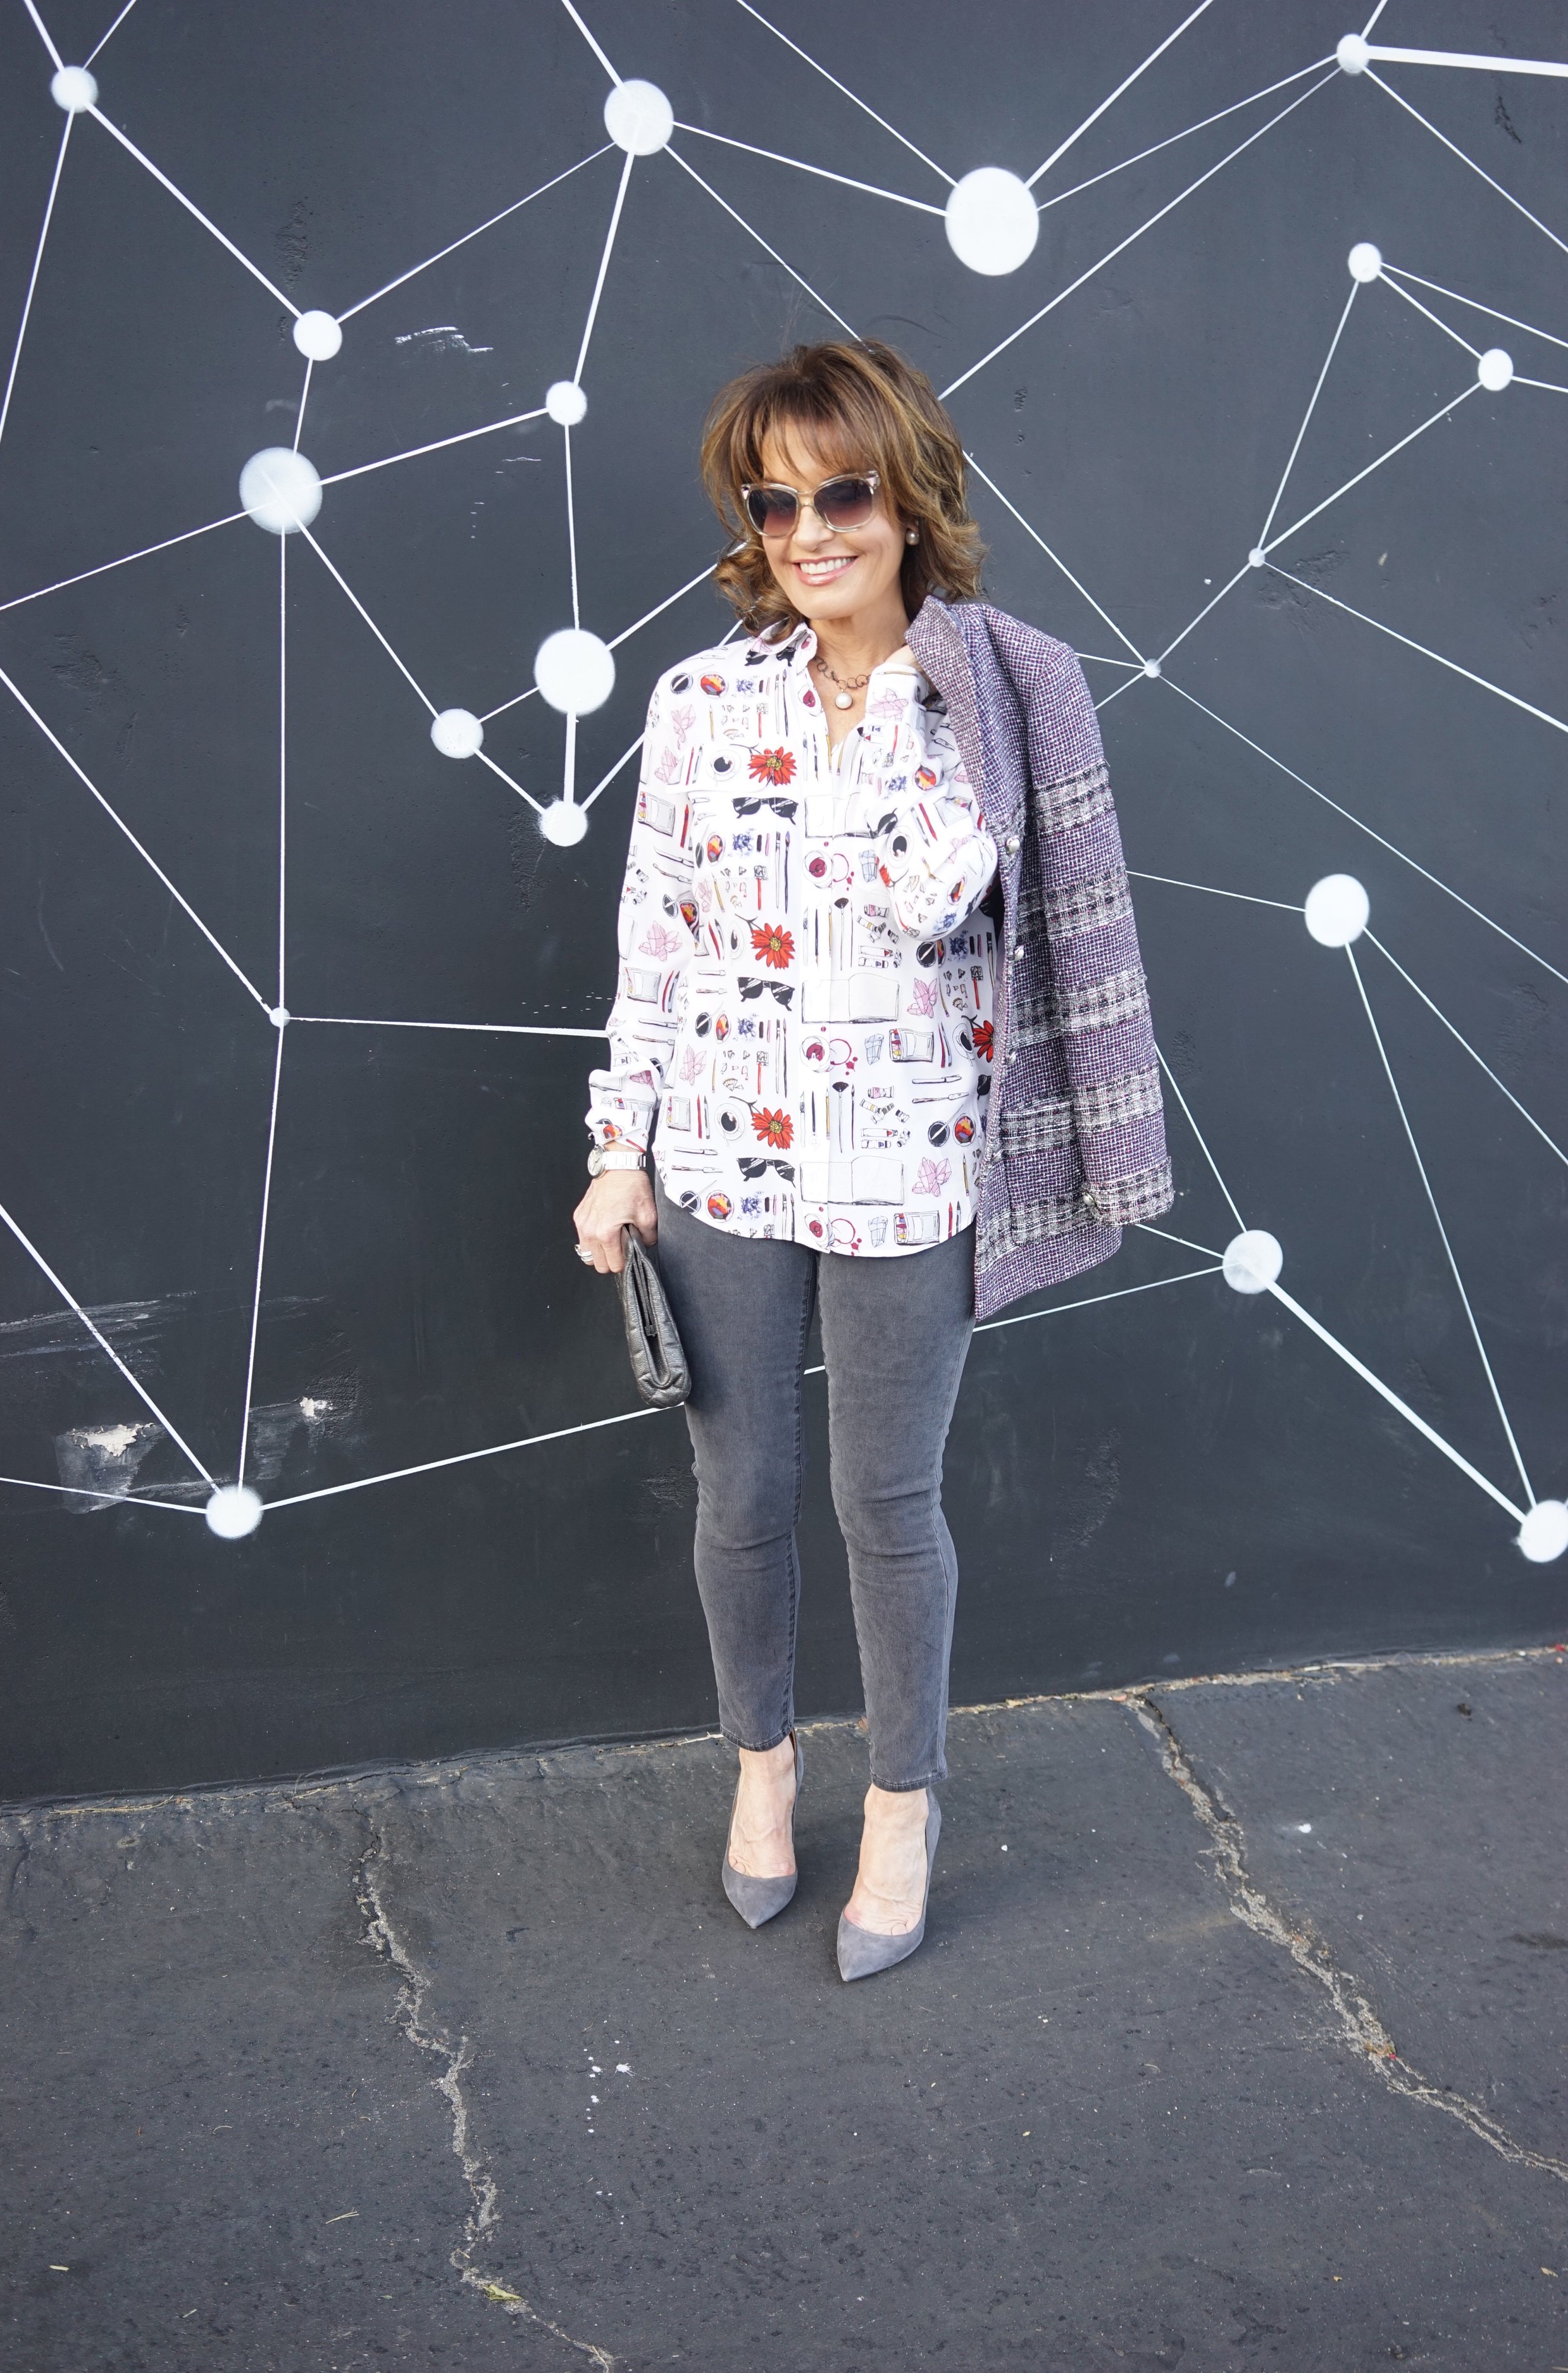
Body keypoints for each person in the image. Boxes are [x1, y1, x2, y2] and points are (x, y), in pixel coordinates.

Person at [574, 339, 1173, 1981]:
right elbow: (657, 943)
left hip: (907, 1163)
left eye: (840, 492)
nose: (806, 527)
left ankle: (901, 1803)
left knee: (884, 1503)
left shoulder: (989, 704)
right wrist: (617, 1148)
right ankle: (763, 1772)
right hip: (721, 1161)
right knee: (740, 1495)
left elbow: (946, 905)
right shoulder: (696, 702)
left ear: (905, 498)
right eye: (773, 500)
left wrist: (890, 689)